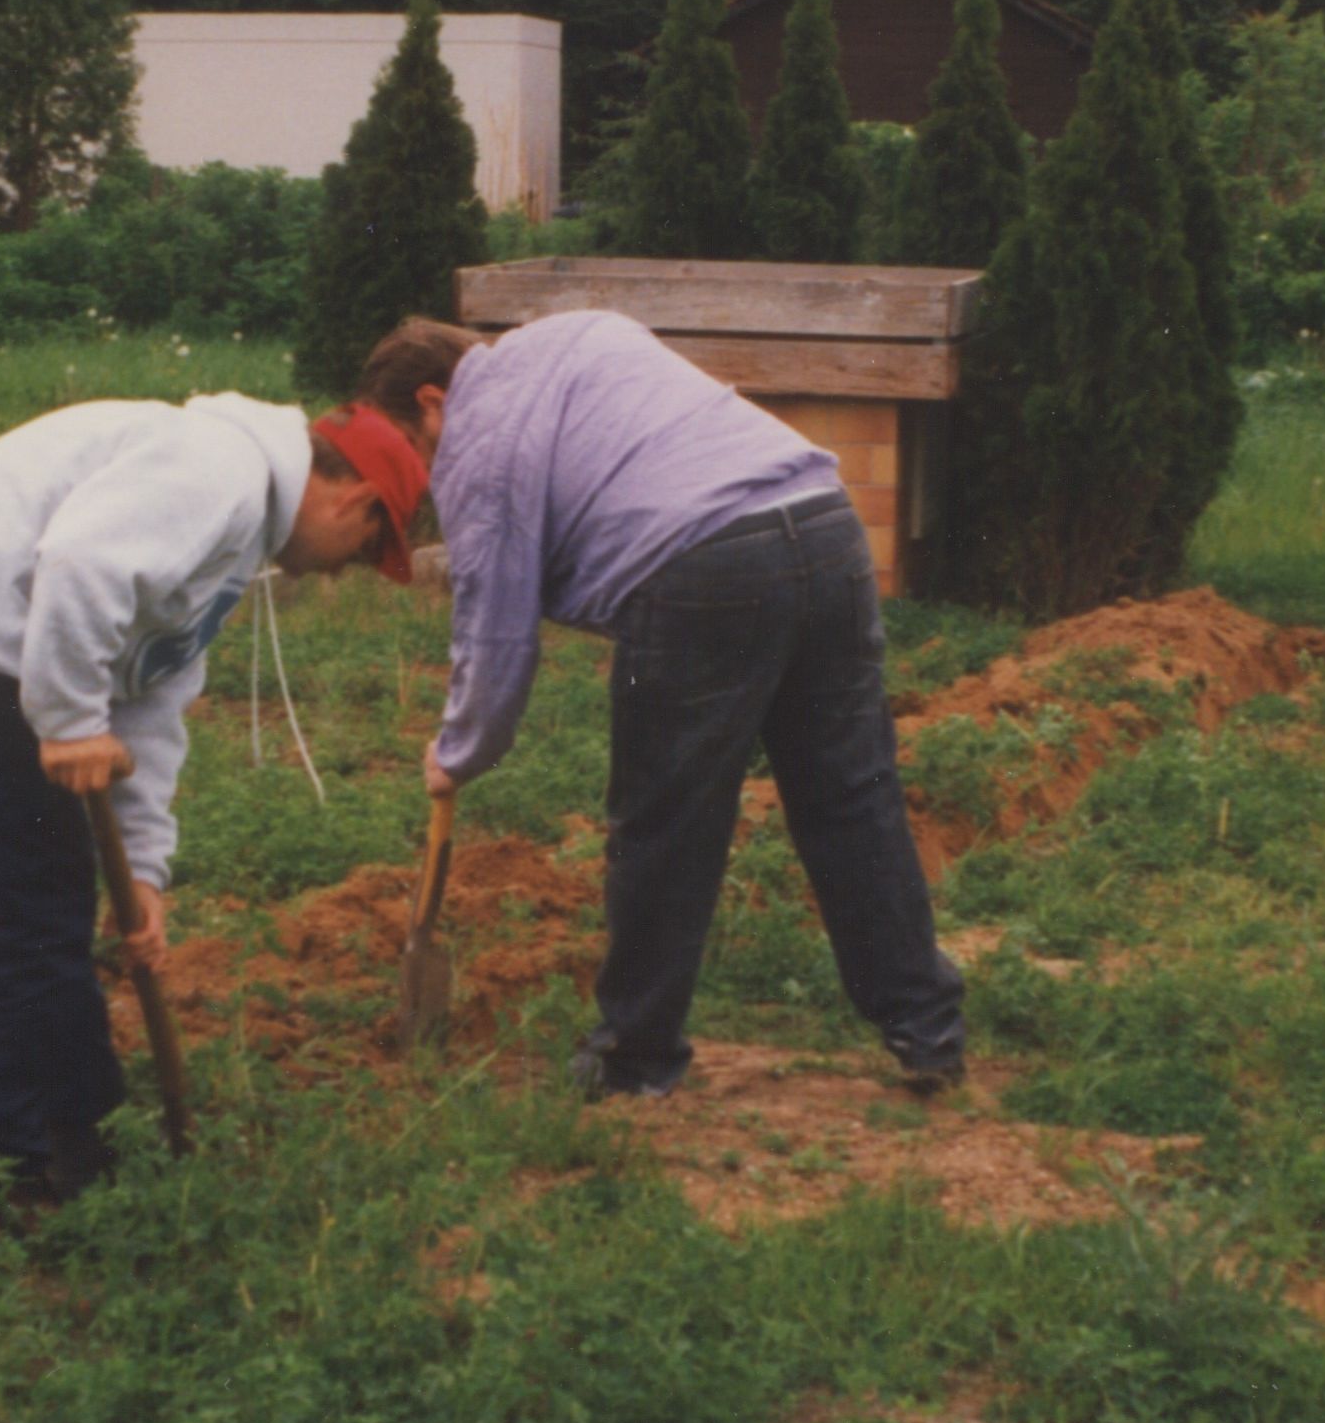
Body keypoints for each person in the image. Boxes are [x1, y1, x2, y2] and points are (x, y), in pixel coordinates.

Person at [348, 314, 965, 1100]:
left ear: (433, 401)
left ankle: (634, 1057)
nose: (427, 470)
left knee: (665, 821)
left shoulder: (477, 440)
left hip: (702, 567)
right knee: (851, 795)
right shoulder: (574, 332)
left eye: (415, 446)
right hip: (824, 525)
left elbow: (494, 630)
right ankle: (927, 1031)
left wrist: (457, 751)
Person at [0, 388, 429, 1200]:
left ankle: (85, 1132)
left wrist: (145, 871)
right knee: (37, 912)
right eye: (367, 549)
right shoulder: (217, 471)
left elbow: (153, 696)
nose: (344, 570)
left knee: (49, 904)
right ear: (356, 499)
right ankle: (4, 1176)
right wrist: (69, 721)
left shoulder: (235, 534)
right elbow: (80, 563)